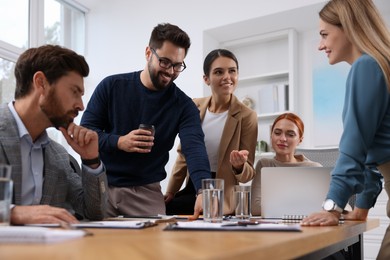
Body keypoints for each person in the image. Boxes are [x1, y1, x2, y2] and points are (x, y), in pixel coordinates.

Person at [80, 23, 211, 218]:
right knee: (95, 247)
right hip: (101, 186)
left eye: (177, 65)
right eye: (165, 62)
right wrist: (119, 141)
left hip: (146, 194)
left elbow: (195, 148)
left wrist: (203, 191)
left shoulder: (184, 106)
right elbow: (86, 133)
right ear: (148, 53)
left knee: (151, 248)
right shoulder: (111, 86)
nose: (170, 71)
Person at [301, 0, 390, 258]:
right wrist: (361, 207)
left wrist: (332, 207)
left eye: (324, 34)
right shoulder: (378, 64)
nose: (320, 45)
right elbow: (371, 155)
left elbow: (353, 148)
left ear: (349, 27)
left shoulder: (366, 66)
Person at [0, 44, 108, 225]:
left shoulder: (57, 155)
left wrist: (91, 160)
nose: (81, 106)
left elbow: (95, 212)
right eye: (75, 92)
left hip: (47, 251)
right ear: (41, 83)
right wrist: (13, 213)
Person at [164, 49, 258, 215]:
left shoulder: (247, 116)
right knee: (166, 211)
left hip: (224, 194)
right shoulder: (194, 106)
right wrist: (171, 191)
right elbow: (183, 156)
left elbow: (247, 175)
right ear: (206, 79)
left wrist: (239, 166)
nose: (227, 77)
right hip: (195, 186)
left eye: (232, 71)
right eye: (219, 72)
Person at [251, 112, 322, 215]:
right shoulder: (264, 165)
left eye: (290, 134)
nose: (282, 139)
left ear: (300, 140)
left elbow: (343, 206)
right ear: (271, 136)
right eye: (277, 133)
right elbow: (256, 208)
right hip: (275, 228)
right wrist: (306, 207)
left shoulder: (314, 168)